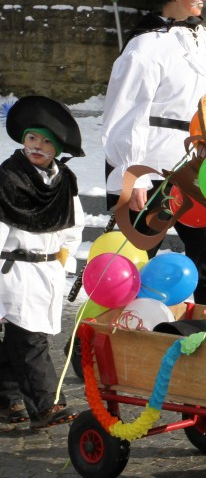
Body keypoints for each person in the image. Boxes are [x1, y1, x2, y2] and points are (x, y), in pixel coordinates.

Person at [101, 0, 206, 306]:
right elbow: (124, 114)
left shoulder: (205, 40)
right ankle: (110, 340)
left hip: (198, 167)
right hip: (152, 169)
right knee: (136, 261)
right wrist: (133, 177)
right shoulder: (144, 47)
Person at [0, 95, 85, 429]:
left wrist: (61, 263)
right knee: (30, 340)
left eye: (46, 141)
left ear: (57, 149)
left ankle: (7, 399)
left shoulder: (64, 182)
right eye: (32, 138)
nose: (37, 146)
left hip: (46, 270)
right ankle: (46, 405)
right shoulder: (8, 178)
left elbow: (73, 227)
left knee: (18, 341)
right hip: (13, 271)